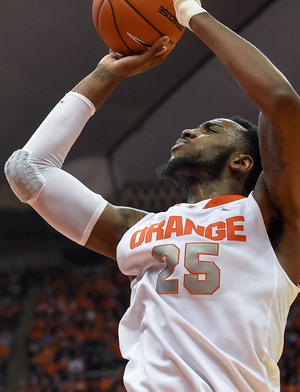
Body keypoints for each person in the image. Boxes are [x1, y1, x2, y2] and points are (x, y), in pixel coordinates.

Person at [4, 0, 300, 390]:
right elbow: (28, 171)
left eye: (211, 129)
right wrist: (107, 73)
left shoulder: (272, 215)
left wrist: (189, 11)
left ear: (244, 162)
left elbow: (279, 102)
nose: (189, 131)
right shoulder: (143, 228)